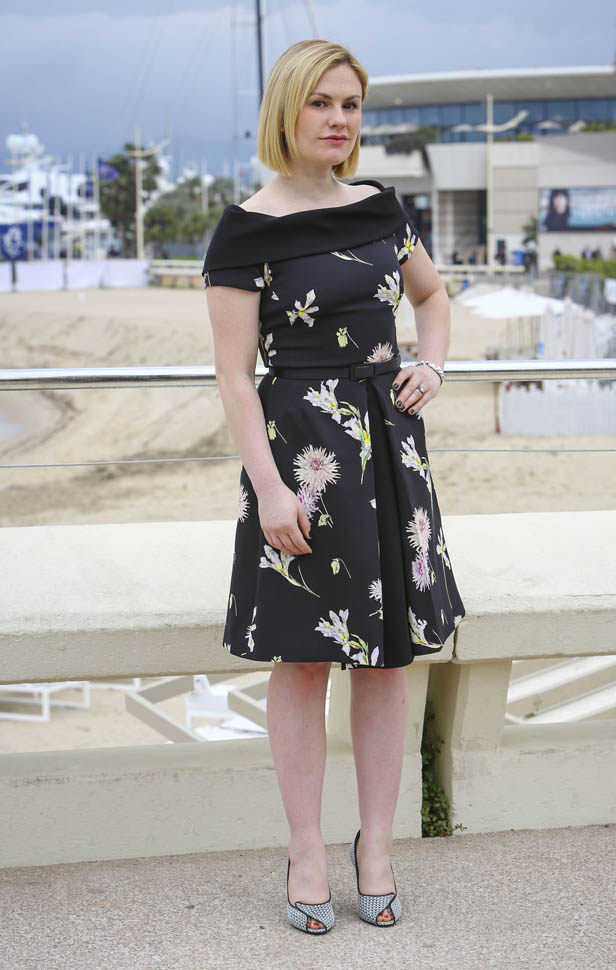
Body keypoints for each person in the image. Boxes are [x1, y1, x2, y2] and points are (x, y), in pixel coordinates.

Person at [202, 39, 466, 935]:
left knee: (386, 660)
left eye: (351, 104)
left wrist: (433, 364)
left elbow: (433, 297)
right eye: (321, 102)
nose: (339, 119)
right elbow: (234, 375)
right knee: (305, 657)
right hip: (302, 461)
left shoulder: (382, 208)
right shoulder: (245, 229)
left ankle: (377, 849)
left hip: (390, 455)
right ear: (287, 109)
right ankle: (306, 849)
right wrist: (271, 489)